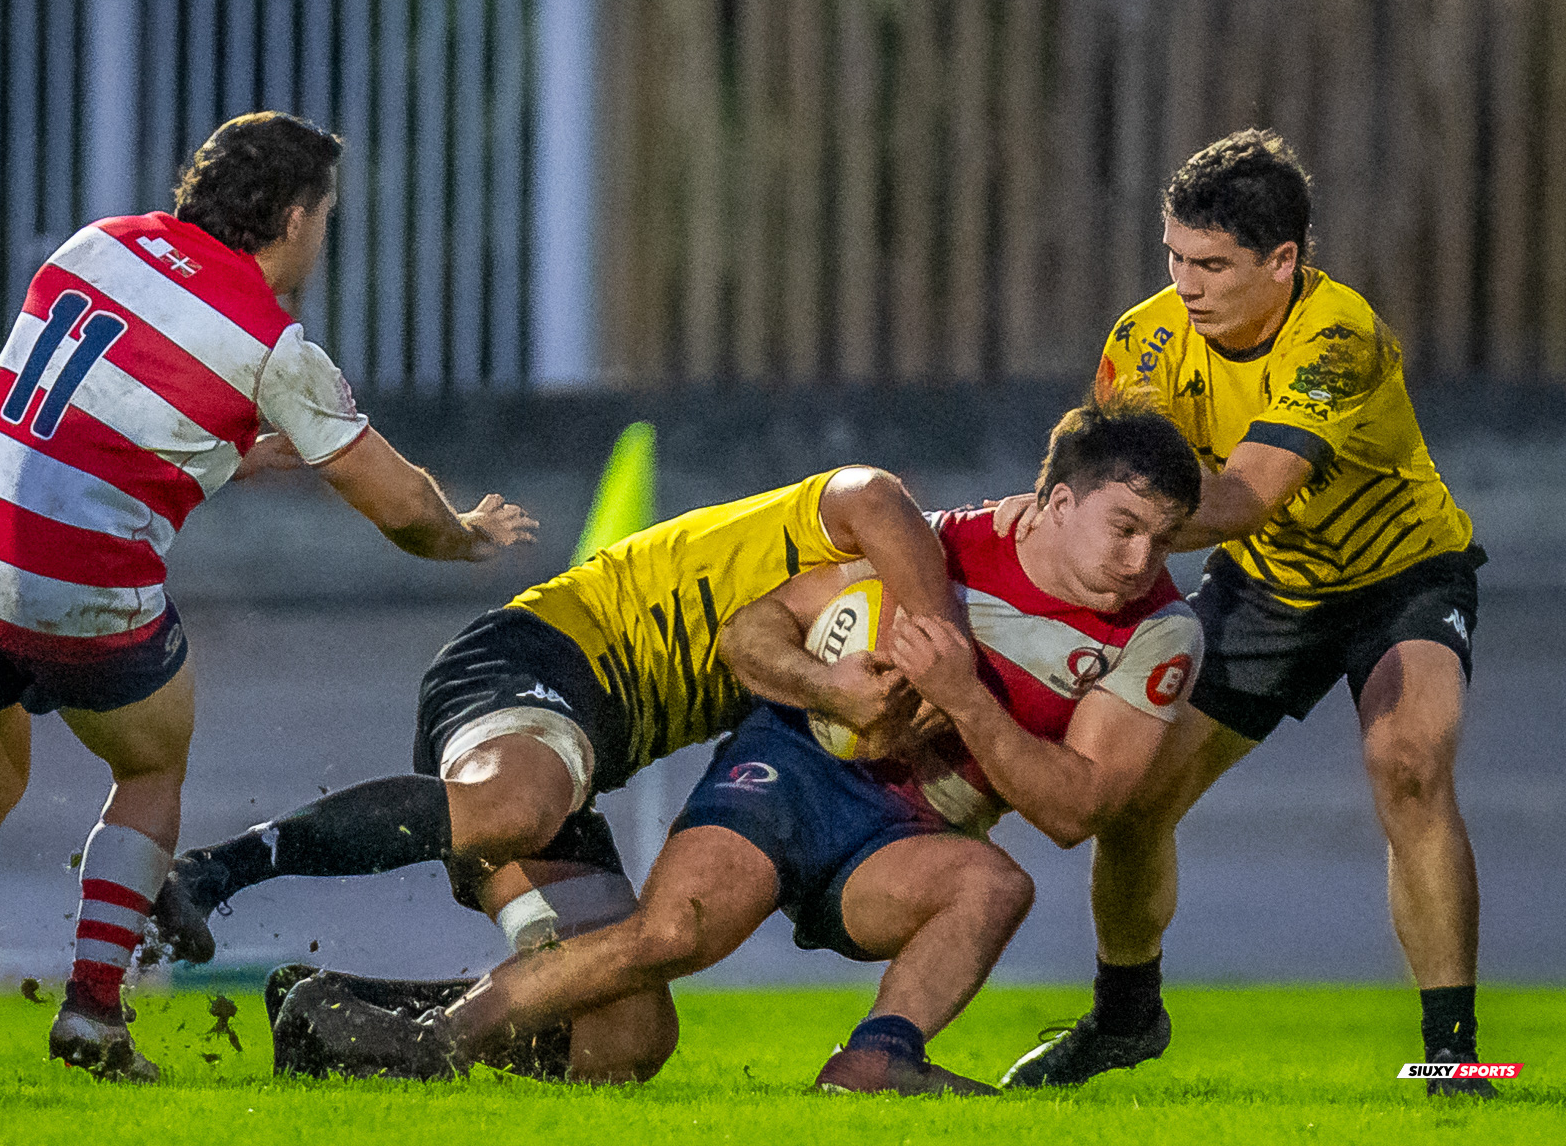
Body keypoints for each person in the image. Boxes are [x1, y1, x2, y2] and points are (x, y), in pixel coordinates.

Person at [0, 112, 537, 1083]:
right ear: (294, 217)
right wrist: (464, 534)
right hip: (79, 576)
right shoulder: (272, 345)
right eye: (325, 215)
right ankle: (92, 1015)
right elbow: (398, 504)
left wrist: (231, 455)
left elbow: (88, 420)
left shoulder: (96, 245)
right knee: (153, 763)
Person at [269, 398, 1208, 1094]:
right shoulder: (934, 549)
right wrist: (831, 685)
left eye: (1161, 543)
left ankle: (879, 1059)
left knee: (996, 885)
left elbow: (1077, 809)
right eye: (1123, 528)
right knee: (672, 941)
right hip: (794, 766)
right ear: (1051, 501)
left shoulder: (1161, 633)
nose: (1139, 564)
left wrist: (966, 700)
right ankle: (434, 1039)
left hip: (910, 836)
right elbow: (753, 633)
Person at [153, 465, 967, 1082]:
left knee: (629, 1035)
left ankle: (340, 1013)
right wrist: (940, 650)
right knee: (515, 805)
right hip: (538, 656)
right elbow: (872, 494)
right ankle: (213, 870)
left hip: (581, 755)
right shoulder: (882, 528)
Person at [994, 129, 1493, 1098]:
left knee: (1409, 764)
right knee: (1133, 800)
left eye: (1213, 264)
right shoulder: (1146, 336)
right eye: (1175, 257)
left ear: (1284, 263)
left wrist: (1106, 529)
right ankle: (1126, 1018)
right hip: (1265, 590)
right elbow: (1092, 459)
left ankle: (1455, 1056)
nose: (1186, 283)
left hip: (1404, 580)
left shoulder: (1337, 337)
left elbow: (1244, 499)